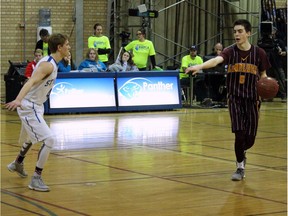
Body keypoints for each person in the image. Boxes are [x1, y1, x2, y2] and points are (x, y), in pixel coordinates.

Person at [185, 19, 271, 181]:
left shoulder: (259, 53)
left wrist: (266, 87)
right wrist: (199, 66)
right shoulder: (230, 51)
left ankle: (242, 153)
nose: (236, 34)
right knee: (239, 134)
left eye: (240, 31)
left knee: (249, 139)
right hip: (235, 98)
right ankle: (240, 167)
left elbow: (263, 75)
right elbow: (216, 61)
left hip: (253, 99)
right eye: (235, 31)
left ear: (248, 33)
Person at [6, 33, 70, 192]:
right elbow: (31, 81)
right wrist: (18, 99)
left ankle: (17, 163)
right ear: (60, 47)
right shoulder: (48, 65)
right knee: (49, 140)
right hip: (29, 106)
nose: (69, 47)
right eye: (67, 45)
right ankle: (36, 178)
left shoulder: (54, 63)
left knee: (31, 136)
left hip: (37, 105)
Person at [265, 27, 287, 102]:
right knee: (268, 81)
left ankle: (283, 96)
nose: (271, 32)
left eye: (272, 30)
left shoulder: (279, 42)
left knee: (281, 79)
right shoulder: (265, 41)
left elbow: (285, 52)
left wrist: (281, 52)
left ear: (275, 32)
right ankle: (269, 96)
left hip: (277, 63)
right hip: (268, 64)